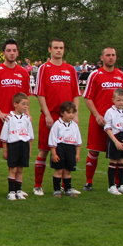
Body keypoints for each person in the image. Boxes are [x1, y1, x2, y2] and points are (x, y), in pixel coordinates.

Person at [0, 39, 31, 197]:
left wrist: (27, 114)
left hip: (19, 122)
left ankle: (16, 188)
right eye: (8, 50)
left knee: (18, 153)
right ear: (3, 53)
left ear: (17, 53)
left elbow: (26, 97)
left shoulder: (23, 72)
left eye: (14, 50)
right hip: (0, 119)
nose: (11, 53)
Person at [33, 38, 81, 195]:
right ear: (50, 50)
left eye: (61, 47)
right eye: (55, 47)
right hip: (51, 115)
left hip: (68, 117)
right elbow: (40, 93)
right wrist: (47, 114)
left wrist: (76, 114)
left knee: (67, 150)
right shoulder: (44, 69)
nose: (58, 50)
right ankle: (38, 185)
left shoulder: (70, 69)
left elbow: (75, 94)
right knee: (44, 150)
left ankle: (66, 186)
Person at [82, 47, 123, 192]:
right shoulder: (95, 75)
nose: (111, 57)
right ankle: (89, 182)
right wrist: (97, 115)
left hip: (118, 123)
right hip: (100, 120)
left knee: (119, 150)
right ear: (102, 58)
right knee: (94, 151)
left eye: (113, 55)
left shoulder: (122, 75)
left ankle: (119, 183)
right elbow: (88, 98)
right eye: (108, 55)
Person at [0, 92, 34, 201]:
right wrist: (5, 151)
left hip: (24, 145)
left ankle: (19, 190)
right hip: (13, 145)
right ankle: (11, 192)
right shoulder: (9, 118)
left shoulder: (27, 119)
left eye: (27, 104)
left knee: (20, 169)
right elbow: (4, 136)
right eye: (23, 104)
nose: (25, 106)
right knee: (13, 169)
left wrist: (29, 150)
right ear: (15, 104)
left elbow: (30, 137)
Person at [103, 89, 123, 195]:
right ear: (113, 100)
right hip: (114, 138)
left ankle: (121, 184)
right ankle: (111, 186)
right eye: (119, 100)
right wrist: (115, 141)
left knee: (122, 162)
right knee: (114, 162)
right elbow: (107, 128)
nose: (121, 102)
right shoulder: (110, 112)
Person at [48, 100, 82, 198]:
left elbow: (78, 141)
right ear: (62, 113)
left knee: (68, 171)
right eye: (68, 112)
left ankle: (68, 190)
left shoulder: (74, 125)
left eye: (73, 112)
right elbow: (52, 141)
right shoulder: (57, 125)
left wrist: (77, 154)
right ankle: (57, 190)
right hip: (60, 148)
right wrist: (54, 154)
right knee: (58, 170)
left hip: (71, 149)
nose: (71, 115)